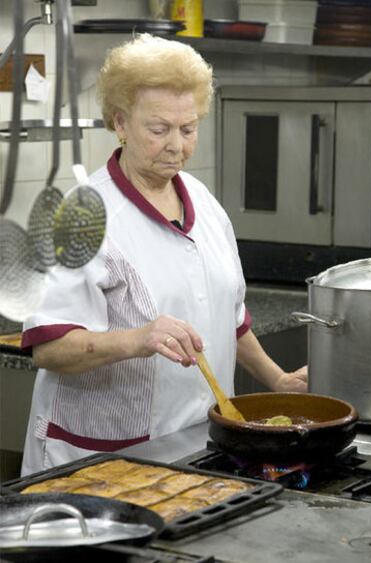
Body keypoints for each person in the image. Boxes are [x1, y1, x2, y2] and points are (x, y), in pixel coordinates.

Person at [20, 34, 307, 476]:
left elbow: (228, 317)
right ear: (120, 122)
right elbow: (51, 349)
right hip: (104, 459)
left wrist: (279, 380)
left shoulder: (203, 202)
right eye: (159, 130)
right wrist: (137, 338)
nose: (177, 145)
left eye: (188, 128)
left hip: (200, 446)